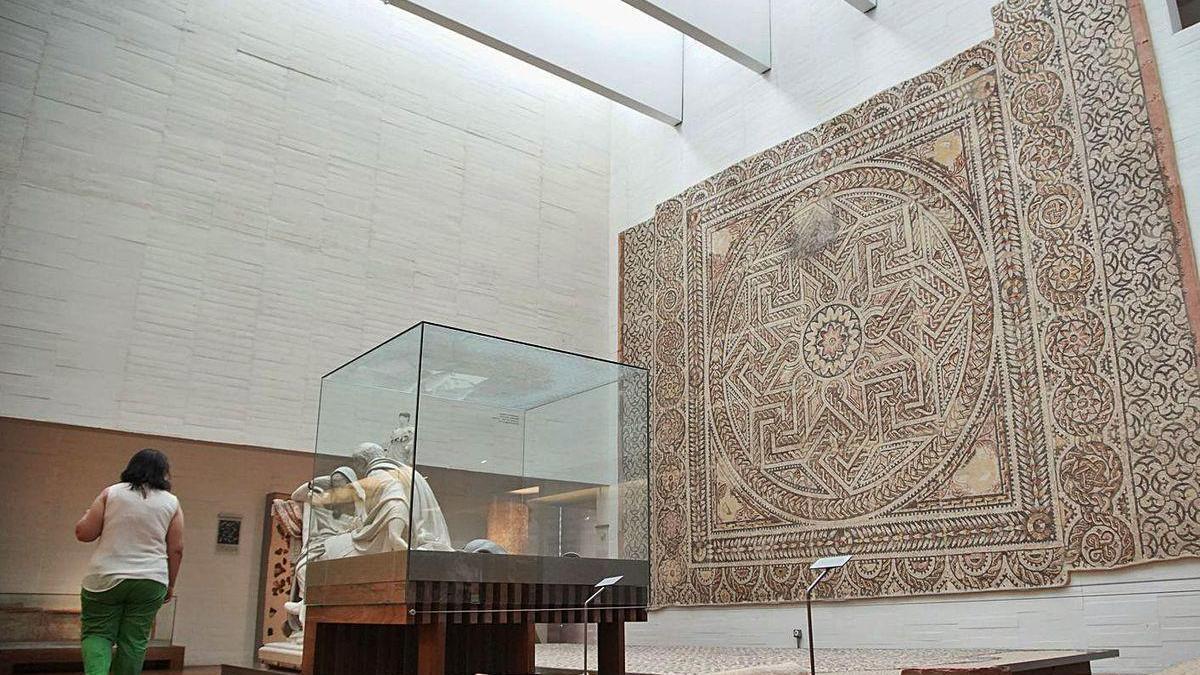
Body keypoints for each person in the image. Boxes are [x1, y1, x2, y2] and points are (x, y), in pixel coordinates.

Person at [74, 449, 185, 675]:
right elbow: (176, 548)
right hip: (151, 579)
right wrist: (170, 584)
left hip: (105, 576)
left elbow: (84, 533)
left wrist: (87, 515)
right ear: (164, 473)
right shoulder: (172, 503)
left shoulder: (111, 493)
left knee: (97, 633)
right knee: (134, 640)